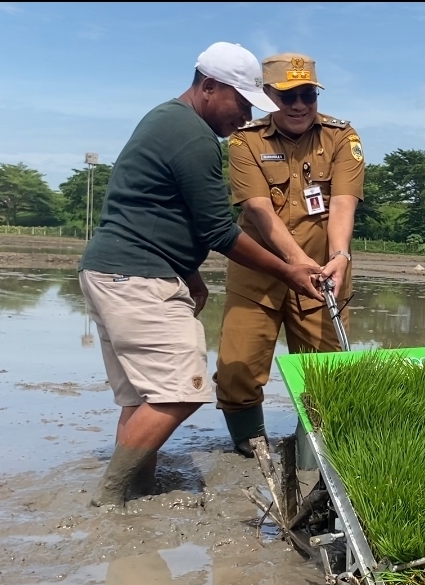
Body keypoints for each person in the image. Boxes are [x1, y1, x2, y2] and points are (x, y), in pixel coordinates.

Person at [78, 42, 325, 508]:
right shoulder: (192, 137)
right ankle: (110, 498)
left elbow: (162, 210)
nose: (246, 113)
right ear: (209, 86)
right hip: (138, 277)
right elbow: (219, 231)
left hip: (113, 270)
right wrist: (291, 272)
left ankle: (138, 491)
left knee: (141, 398)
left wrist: (188, 270)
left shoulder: (165, 120)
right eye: (242, 100)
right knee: (180, 393)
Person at [214, 52, 363, 457]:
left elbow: (343, 204)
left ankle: (311, 448)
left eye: (307, 95)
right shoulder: (245, 139)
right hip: (259, 274)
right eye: (287, 96)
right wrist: (296, 263)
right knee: (237, 367)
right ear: (267, 96)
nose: (298, 105)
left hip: (324, 279)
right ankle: (250, 445)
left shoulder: (341, 137)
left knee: (326, 372)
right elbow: (259, 210)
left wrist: (339, 257)